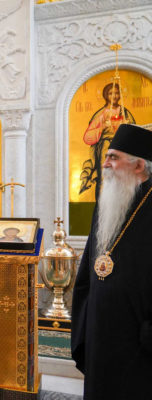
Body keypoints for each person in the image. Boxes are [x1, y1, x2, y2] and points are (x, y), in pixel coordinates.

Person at [72, 124, 152, 399]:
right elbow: (89, 267)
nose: (104, 163)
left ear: (139, 165)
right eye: (106, 156)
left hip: (138, 339)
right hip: (100, 330)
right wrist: (85, 317)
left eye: (113, 157)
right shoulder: (107, 202)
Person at [80, 82, 136, 199]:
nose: (114, 96)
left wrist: (126, 127)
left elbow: (135, 132)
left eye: (117, 93)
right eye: (111, 93)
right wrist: (102, 127)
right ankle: (102, 205)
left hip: (122, 149)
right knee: (104, 177)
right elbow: (88, 136)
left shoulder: (125, 113)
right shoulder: (102, 114)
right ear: (106, 95)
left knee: (123, 177)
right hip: (106, 147)